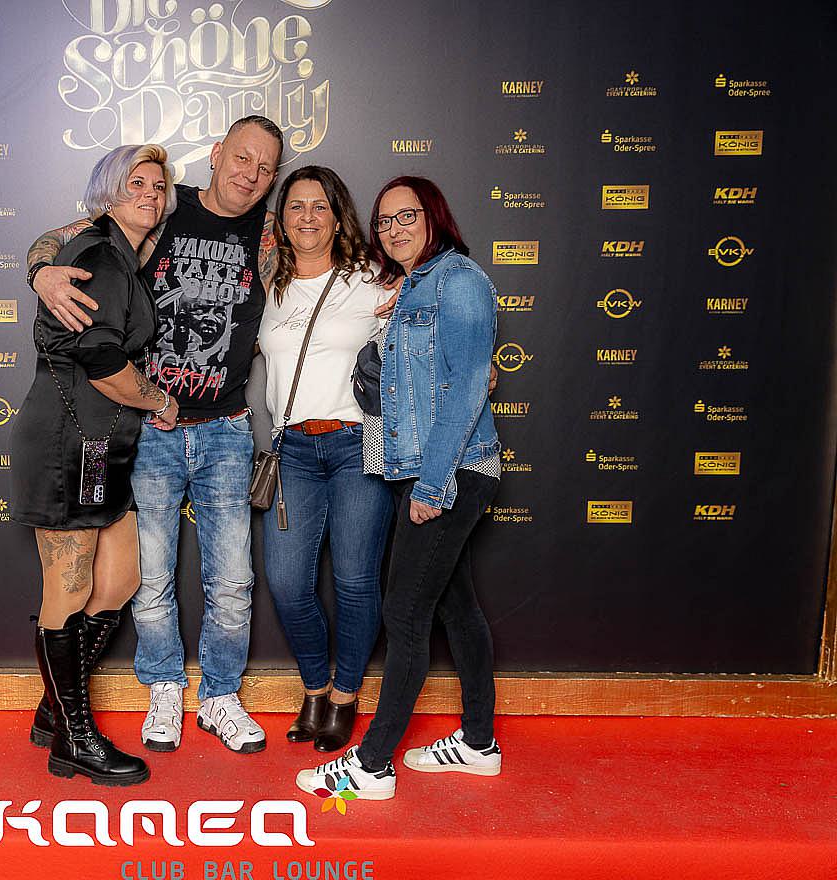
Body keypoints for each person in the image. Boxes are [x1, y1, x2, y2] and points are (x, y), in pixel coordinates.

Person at [26, 116, 284, 754]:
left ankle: (220, 697)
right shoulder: (162, 209)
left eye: (265, 167)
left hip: (226, 429)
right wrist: (41, 272)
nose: (251, 174)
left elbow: (341, 270)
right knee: (150, 579)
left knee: (232, 581)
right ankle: (164, 689)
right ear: (217, 154)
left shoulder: (271, 233)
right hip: (149, 427)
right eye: (242, 157)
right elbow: (60, 239)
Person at [296, 176, 503, 800]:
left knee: (405, 614)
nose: (393, 230)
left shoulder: (459, 281)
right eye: (384, 222)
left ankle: (373, 765)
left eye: (406, 216)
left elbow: (467, 388)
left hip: (449, 472)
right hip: (419, 468)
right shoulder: (412, 286)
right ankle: (479, 744)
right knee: (456, 609)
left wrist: (433, 486)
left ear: (434, 215)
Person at [11, 144, 179, 786]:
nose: (150, 194)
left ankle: (56, 710)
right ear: (108, 191)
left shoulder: (125, 255)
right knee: (70, 587)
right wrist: (158, 400)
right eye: (136, 183)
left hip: (102, 445)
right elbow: (102, 362)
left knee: (120, 579)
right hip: (68, 439)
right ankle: (74, 740)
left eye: (158, 186)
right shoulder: (99, 254)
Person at [258, 166, 393, 753]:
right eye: (296, 206)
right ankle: (314, 687)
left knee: (356, 581)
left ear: (338, 218)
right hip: (291, 449)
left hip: (357, 445)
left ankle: (344, 695)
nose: (307, 217)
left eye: (320, 206)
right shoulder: (268, 281)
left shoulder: (372, 280)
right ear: (281, 220)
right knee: (288, 582)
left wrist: (478, 364)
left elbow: (433, 323)